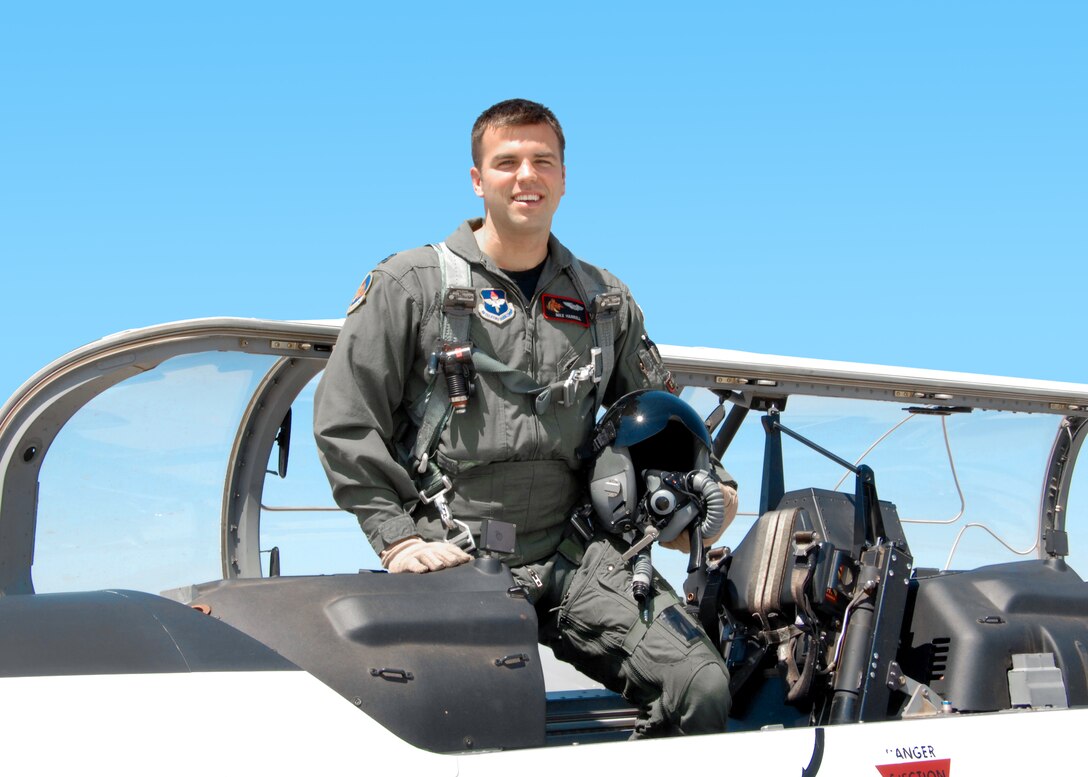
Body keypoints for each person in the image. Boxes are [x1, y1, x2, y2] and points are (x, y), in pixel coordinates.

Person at [314, 98, 738, 737]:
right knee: (469, 725)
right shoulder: (410, 285)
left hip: (574, 555)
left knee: (701, 686)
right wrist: (397, 537)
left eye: (542, 161)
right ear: (478, 179)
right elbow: (346, 418)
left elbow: (660, 419)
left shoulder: (604, 301)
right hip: (452, 554)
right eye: (506, 161)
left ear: (563, 177)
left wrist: (703, 501)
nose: (526, 176)